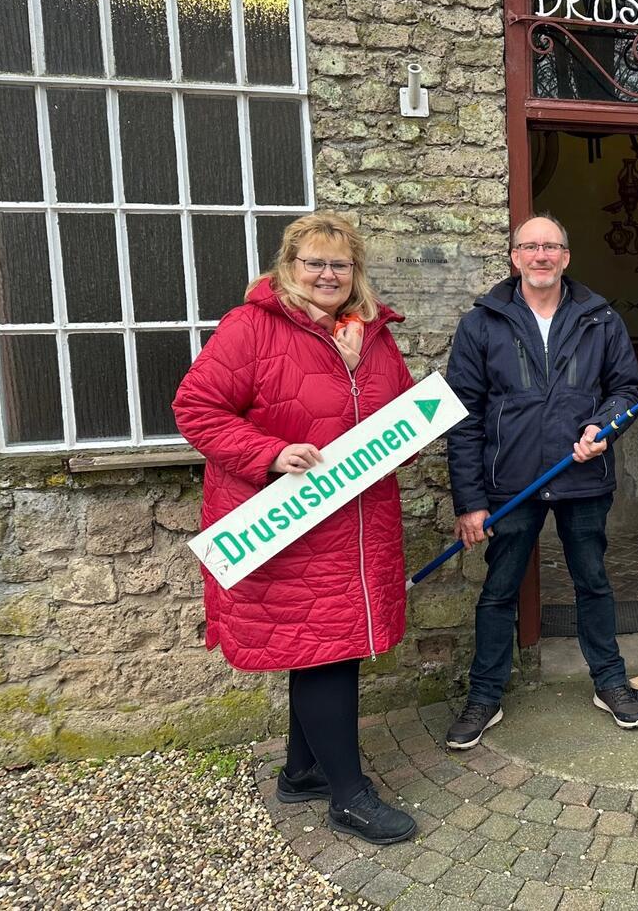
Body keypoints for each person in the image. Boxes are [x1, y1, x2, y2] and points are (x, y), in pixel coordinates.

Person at [174, 213, 418, 846]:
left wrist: (410, 436)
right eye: (314, 262)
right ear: (289, 266)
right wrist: (270, 453)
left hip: (359, 524)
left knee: (323, 648)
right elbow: (196, 409)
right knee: (325, 653)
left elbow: (400, 417)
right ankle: (350, 797)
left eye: (340, 264)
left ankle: (303, 771)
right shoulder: (250, 328)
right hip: (290, 525)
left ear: (355, 271)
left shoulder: (375, 337)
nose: (327, 275)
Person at [444, 214, 638, 749]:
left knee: (593, 582)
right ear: (514, 257)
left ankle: (610, 680)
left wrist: (603, 425)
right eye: (530, 247)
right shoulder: (482, 323)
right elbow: (462, 416)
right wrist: (469, 501)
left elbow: (628, 391)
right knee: (499, 590)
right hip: (510, 481)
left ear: (566, 257)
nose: (540, 256)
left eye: (551, 247)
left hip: (581, 476)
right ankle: (484, 696)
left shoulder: (599, 318)